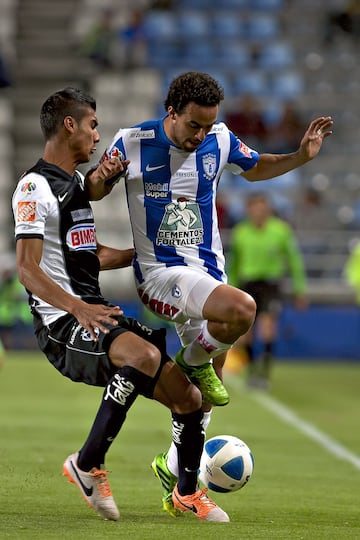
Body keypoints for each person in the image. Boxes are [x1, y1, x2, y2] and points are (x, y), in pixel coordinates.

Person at [94, 71, 333, 516]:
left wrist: (301, 156)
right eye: (193, 126)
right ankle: (191, 362)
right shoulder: (132, 141)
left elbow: (257, 167)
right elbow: (93, 187)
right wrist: (102, 178)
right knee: (244, 310)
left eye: (207, 126)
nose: (200, 135)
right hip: (162, 275)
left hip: (208, 276)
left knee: (200, 399)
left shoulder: (219, 140)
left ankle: (177, 479)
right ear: (172, 112)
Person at [12, 87, 230, 523]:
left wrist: (145, 256)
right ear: (69, 125)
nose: (98, 136)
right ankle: (87, 463)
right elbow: (27, 269)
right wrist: (77, 308)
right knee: (144, 354)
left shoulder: (73, 185)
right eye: (92, 125)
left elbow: (89, 256)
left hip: (95, 313)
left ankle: (186, 492)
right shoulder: (33, 186)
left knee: (187, 397)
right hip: (63, 324)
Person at [227, 192, 308, 389]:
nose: (258, 212)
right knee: (246, 332)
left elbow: (294, 260)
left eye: (262, 208)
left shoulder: (280, 231)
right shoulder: (241, 232)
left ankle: (264, 372)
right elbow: (234, 264)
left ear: (268, 210)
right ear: (248, 211)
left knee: (267, 327)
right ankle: (253, 369)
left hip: (271, 284)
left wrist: (300, 289)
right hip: (248, 284)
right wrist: (229, 289)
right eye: (255, 208)